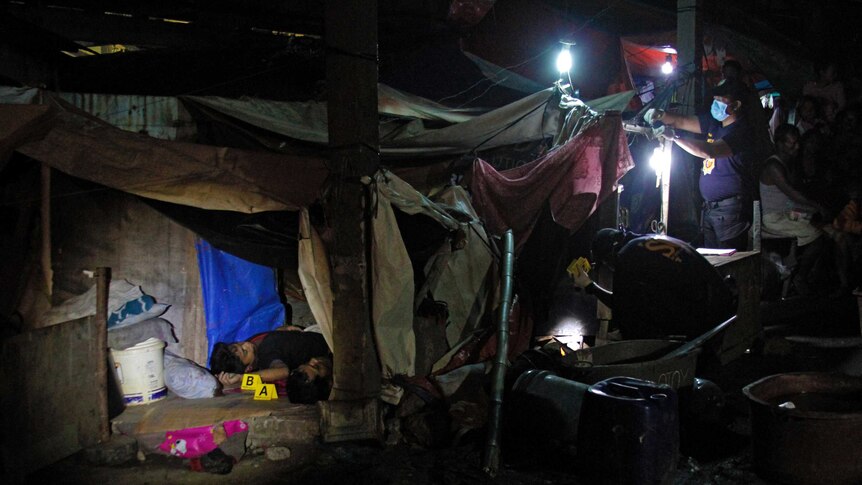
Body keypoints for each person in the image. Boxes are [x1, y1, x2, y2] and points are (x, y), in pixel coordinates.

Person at [644, 79, 765, 251]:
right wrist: (661, 115)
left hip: (730, 210)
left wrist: (676, 137)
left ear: (736, 105)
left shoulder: (741, 132)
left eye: (721, 99)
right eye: (715, 98)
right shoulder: (714, 124)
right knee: (711, 259)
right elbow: (682, 121)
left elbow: (710, 151)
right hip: (709, 208)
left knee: (728, 259)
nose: (715, 102)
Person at [570, 228, 736, 340]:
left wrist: (590, 286)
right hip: (722, 300)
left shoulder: (626, 255)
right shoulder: (648, 239)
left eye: (607, 263)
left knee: (633, 320)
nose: (611, 268)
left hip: (705, 312)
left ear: (611, 251)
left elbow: (622, 305)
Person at [759, 124, 829, 295]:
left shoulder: (788, 163)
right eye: (792, 143)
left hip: (788, 213)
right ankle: (800, 276)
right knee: (818, 235)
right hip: (775, 217)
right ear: (780, 144)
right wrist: (817, 206)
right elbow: (794, 194)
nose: (797, 147)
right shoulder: (773, 166)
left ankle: (807, 273)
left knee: (827, 229)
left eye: (798, 142)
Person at [210, 327, 332, 403]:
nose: (246, 344)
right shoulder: (258, 344)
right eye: (245, 351)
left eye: (239, 345)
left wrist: (242, 378)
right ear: (248, 368)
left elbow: (283, 371)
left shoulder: (266, 354)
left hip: (328, 346)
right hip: (316, 336)